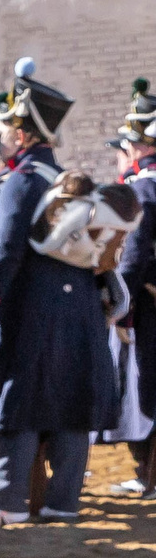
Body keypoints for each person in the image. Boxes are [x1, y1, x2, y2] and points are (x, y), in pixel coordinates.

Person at [0, 59, 118, 525]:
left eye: (11, 128)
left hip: (34, 309)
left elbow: (7, 251)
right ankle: (63, 503)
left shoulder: (22, 181)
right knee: (72, 405)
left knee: (22, 402)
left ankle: (7, 503)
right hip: (81, 310)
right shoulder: (74, 181)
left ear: (24, 135)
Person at [111, 80, 156, 496]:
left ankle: (149, 474)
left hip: (149, 306)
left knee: (147, 387)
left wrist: (120, 308)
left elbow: (134, 257)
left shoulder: (144, 188)